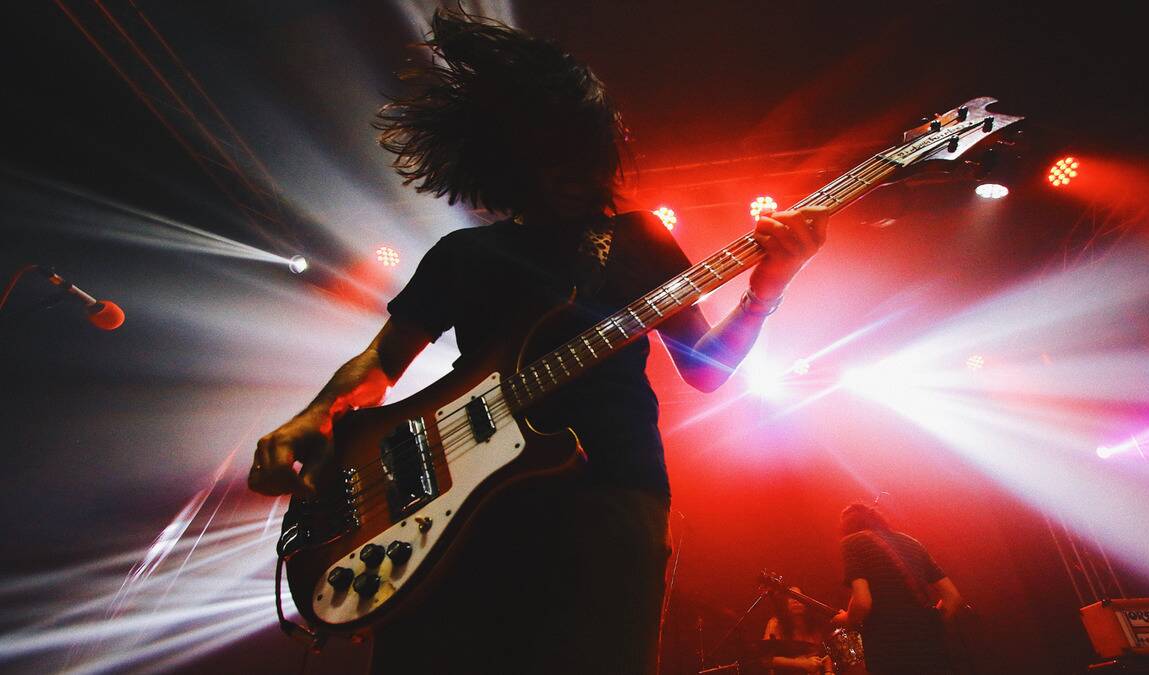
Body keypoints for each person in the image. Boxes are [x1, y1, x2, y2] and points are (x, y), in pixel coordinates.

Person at [248, 10, 828, 674]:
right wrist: (312, 414)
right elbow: (382, 360)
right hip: (452, 508)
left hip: (607, 492)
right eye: (542, 144)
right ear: (508, 152)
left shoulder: (640, 242)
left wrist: (768, 289)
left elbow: (706, 371)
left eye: (573, 145)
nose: (563, 165)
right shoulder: (463, 253)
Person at [831, 503, 965, 675]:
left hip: (890, 649)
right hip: (931, 646)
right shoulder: (911, 542)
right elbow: (952, 596)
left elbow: (863, 602)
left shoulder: (852, 542)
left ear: (846, 526)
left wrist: (847, 618)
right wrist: (930, 625)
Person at [760, 586, 835, 674]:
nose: (795, 600)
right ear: (784, 603)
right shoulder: (776, 623)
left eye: (798, 597)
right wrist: (802, 664)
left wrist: (828, 671)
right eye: (791, 597)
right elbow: (766, 659)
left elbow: (826, 654)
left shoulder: (815, 626)